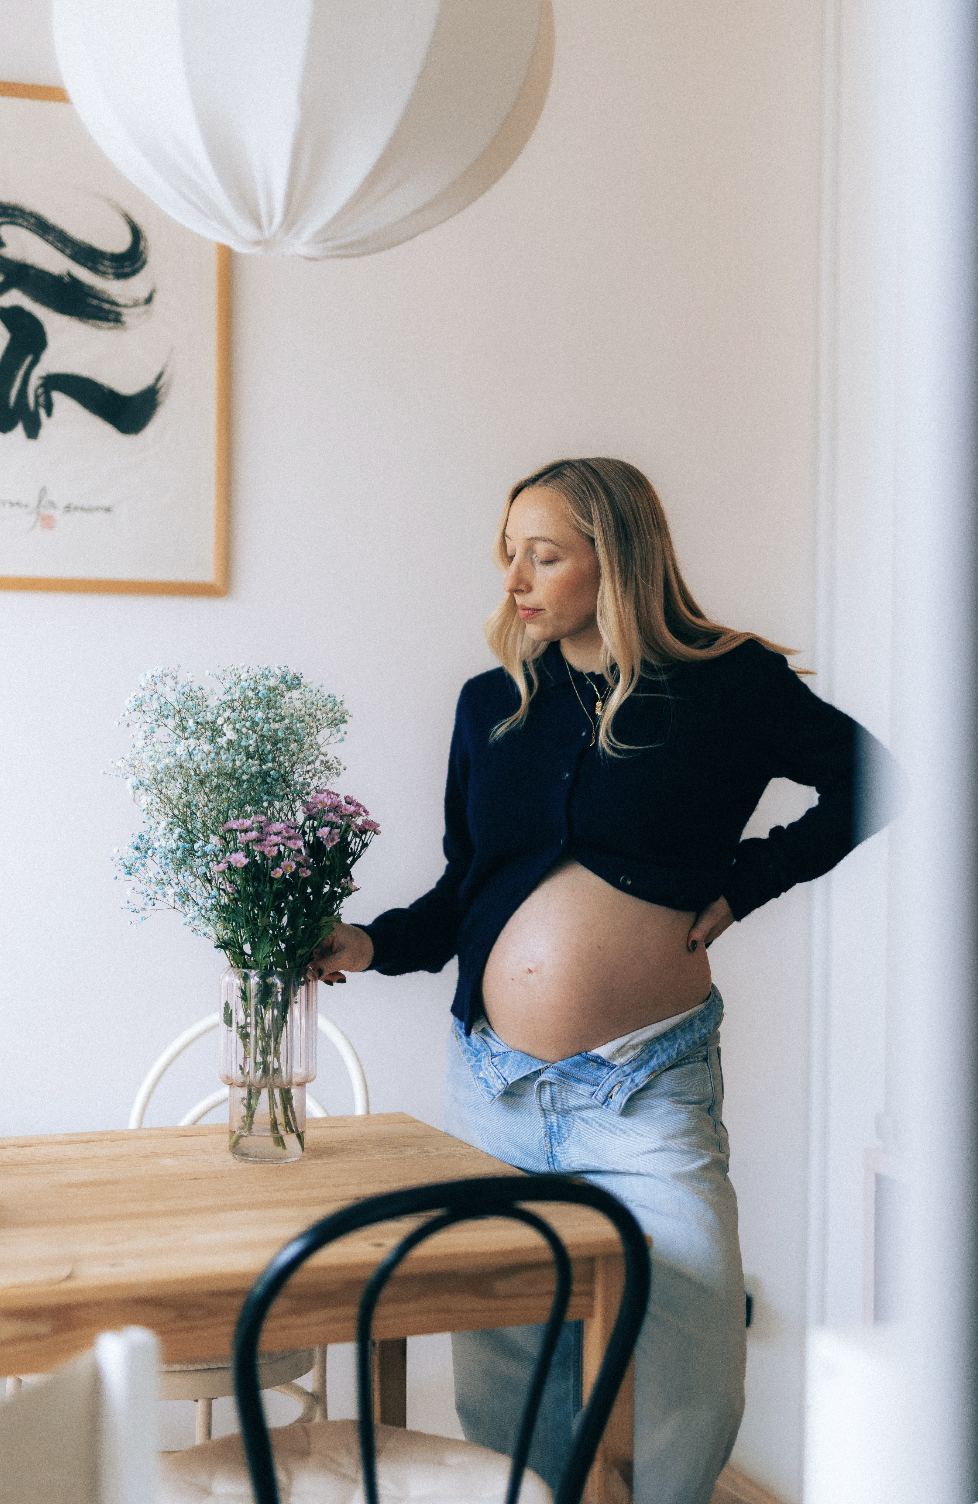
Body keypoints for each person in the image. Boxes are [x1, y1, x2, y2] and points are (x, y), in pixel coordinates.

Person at [312, 458, 895, 1504]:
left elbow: (874, 774)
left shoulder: (729, 683)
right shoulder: (491, 702)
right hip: (492, 1089)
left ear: (615, 559)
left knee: (692, 1342)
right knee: (501, 1355)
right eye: (508, 553)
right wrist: (368, 942)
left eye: (545, 554)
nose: (515, 580)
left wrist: (750, 882)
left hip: (645, 1091)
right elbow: (465, 884)